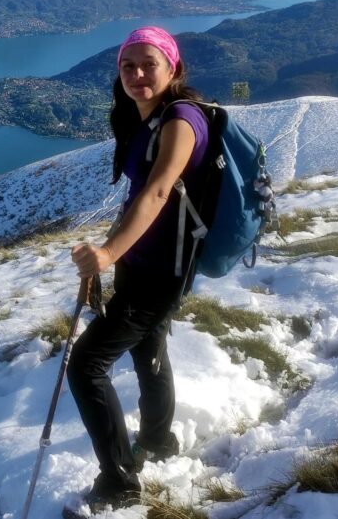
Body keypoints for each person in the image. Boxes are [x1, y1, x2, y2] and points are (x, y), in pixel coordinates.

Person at [66, 26, 209, 513]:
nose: (138, 74)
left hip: (162, 271)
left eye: (150, 63)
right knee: (149, 349)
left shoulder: (182, 120)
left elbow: (157, 192)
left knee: (87, 365)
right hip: (143, 260)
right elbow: (137, 198)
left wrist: (106, 254)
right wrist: (113, 253)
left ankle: (120, 481)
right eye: (128, 65)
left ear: (174, 67)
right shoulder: (143, 118)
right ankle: (158, 440)